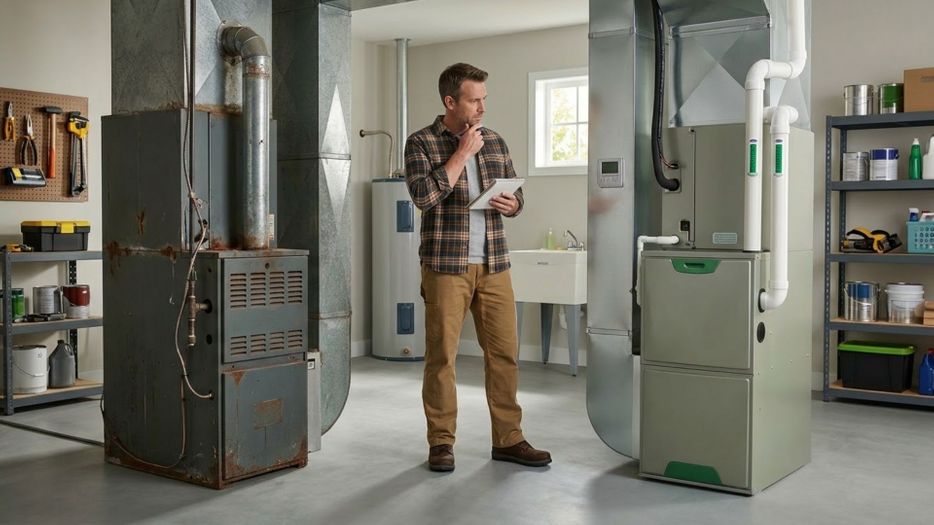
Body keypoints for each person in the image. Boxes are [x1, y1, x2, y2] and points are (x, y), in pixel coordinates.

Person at [404, 62, 552, 472]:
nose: (482, 107)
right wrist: (460, 154)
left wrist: (514, 203)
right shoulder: (421, 143)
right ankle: (441, 444)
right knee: (442, 359)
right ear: (451, 102)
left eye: (484, 99)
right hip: (445, 266)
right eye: (474, 99)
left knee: (504, 355)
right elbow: (422, 197)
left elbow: (515, 194)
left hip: (494, 263)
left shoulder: (496, 141)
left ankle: (508, 439)